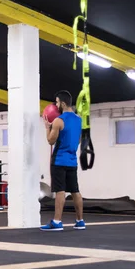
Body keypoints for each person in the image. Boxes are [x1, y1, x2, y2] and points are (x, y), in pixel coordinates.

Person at [40, 90, 85, 231]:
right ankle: (80, 221)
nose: (56, 105)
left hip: (59, 161)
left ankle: (57, 222)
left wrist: (48, 127)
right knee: (75, 191)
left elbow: (50, 141)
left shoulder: (59, 121)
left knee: (60, 191)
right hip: (72, 161)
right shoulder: (79, 120)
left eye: (58, 102)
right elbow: (78, 141)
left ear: (63, 103)